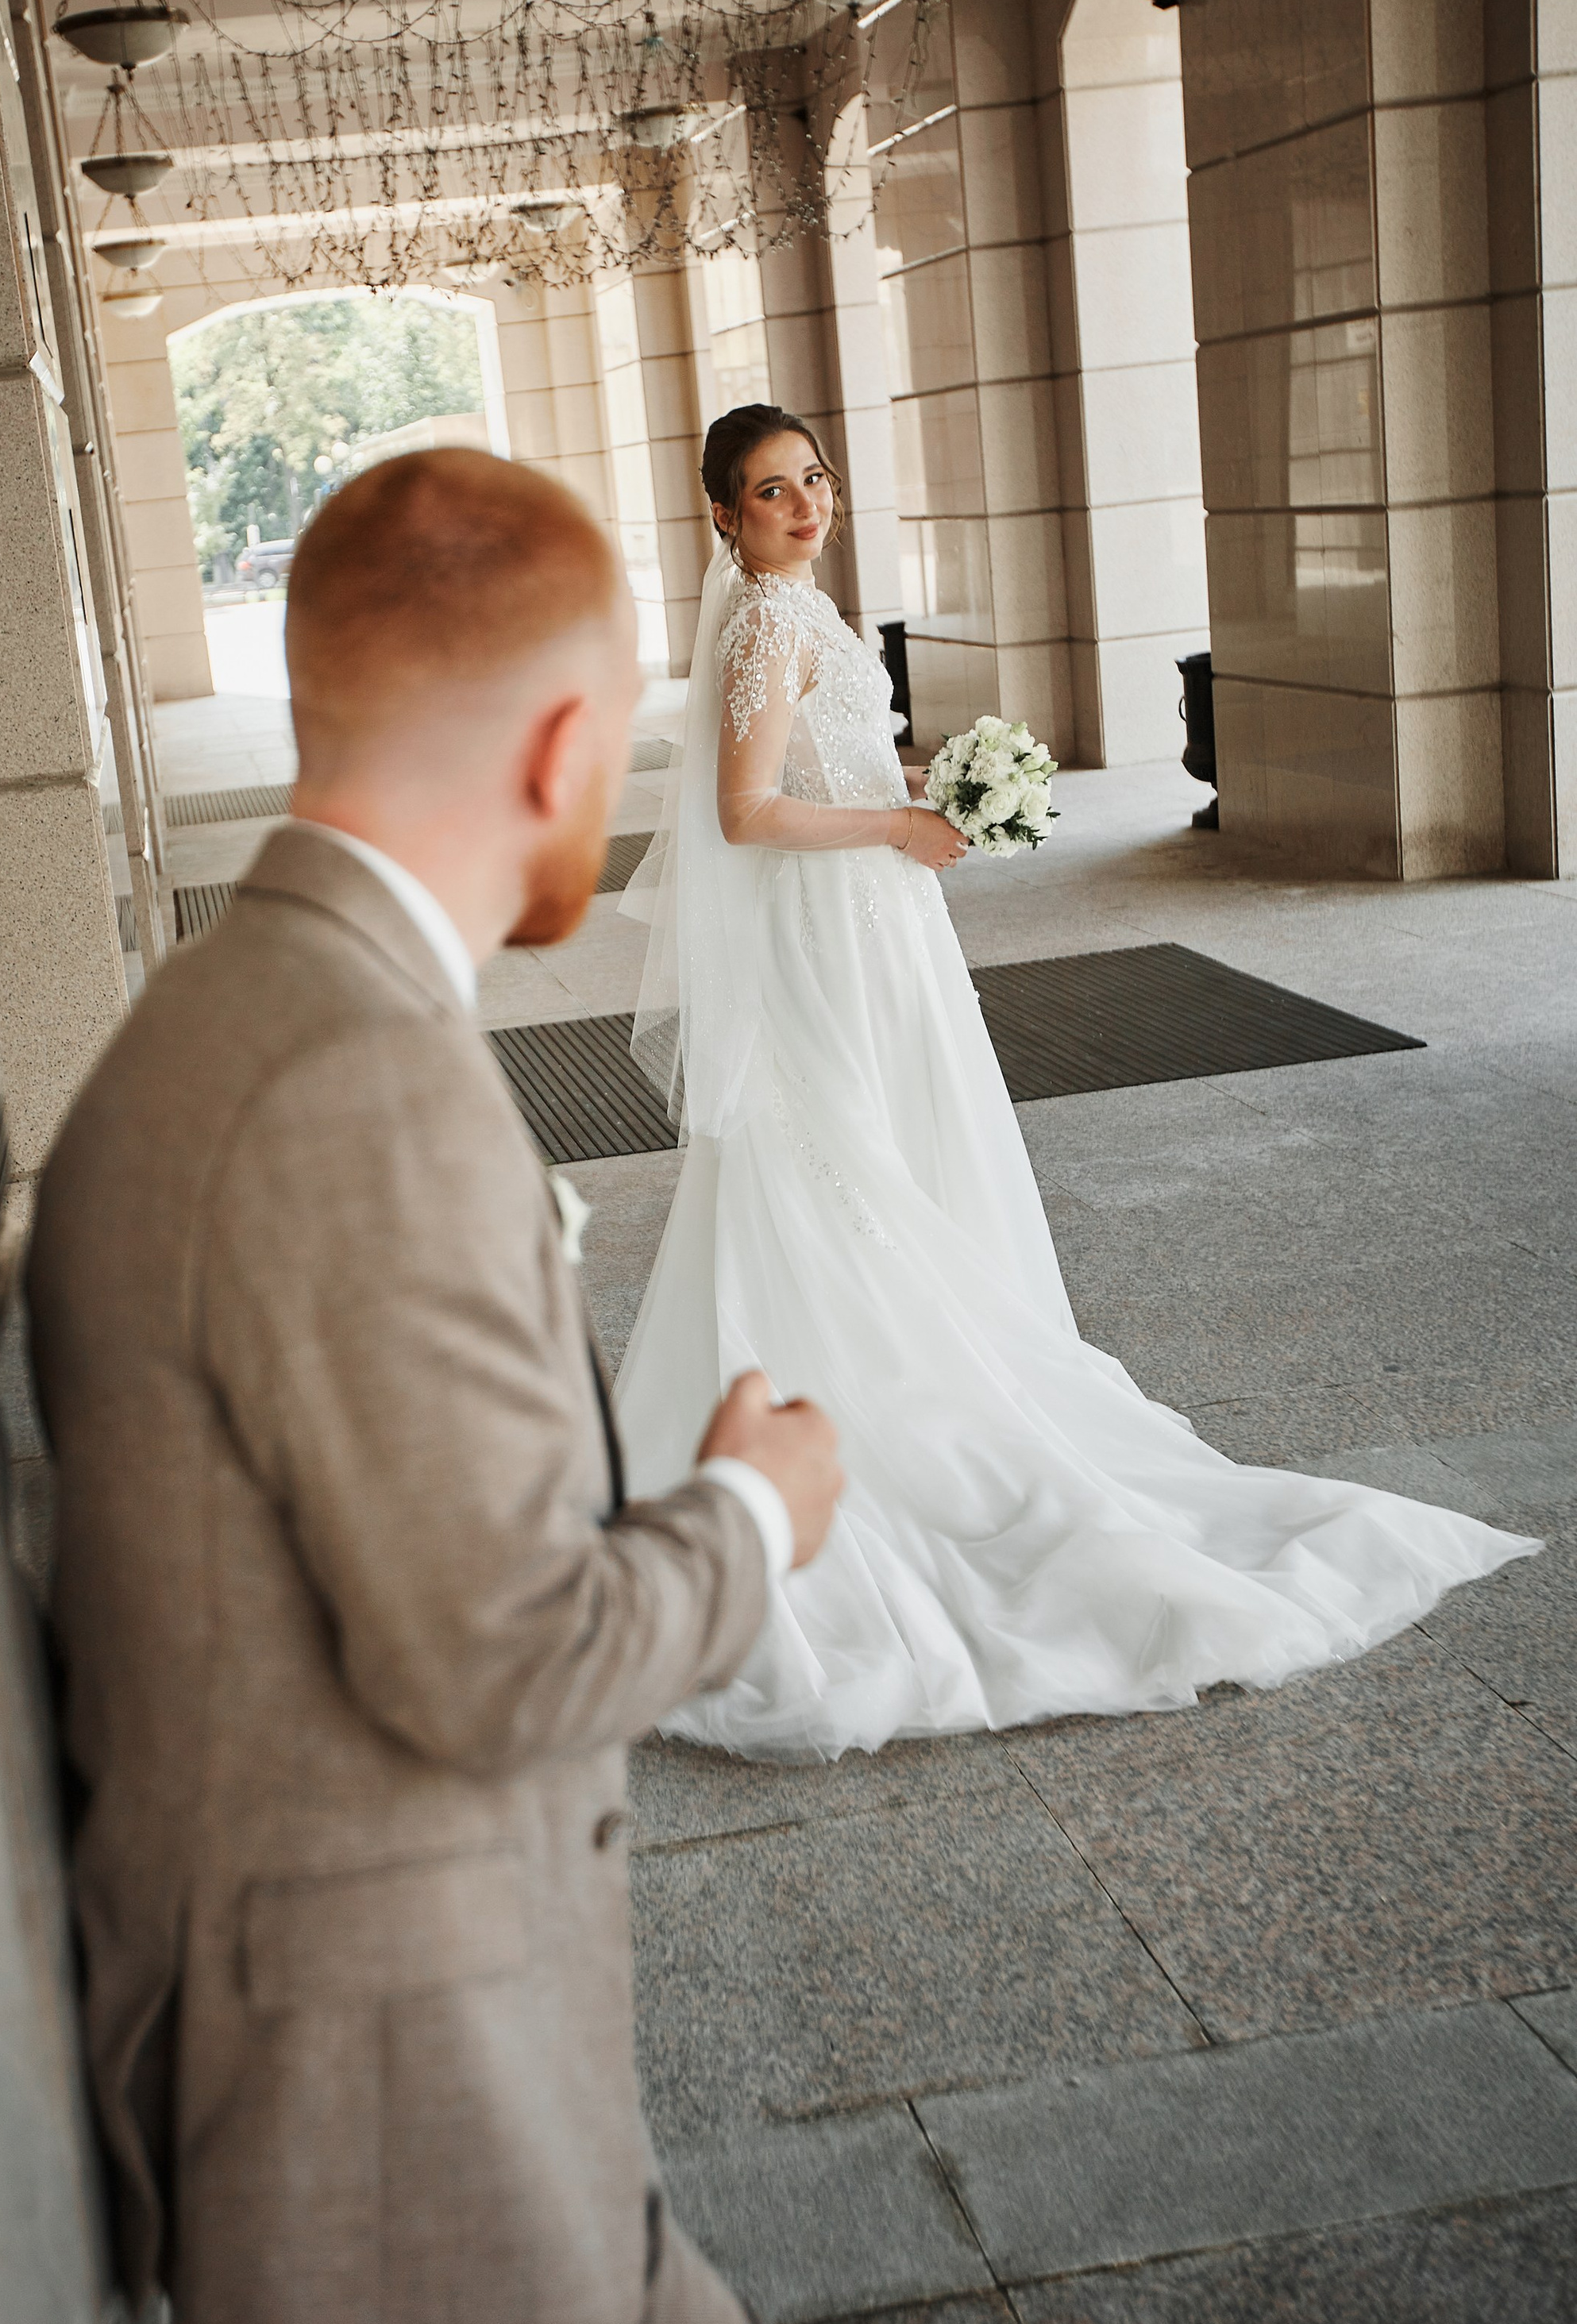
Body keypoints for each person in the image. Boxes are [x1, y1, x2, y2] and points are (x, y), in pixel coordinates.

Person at [25, 449, 1011, 2324]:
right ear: (568, 745)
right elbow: (501, 1663)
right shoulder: (355, 1079)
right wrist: (762, 1505)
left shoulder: (250, 1014)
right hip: (401, 2123)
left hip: (380, 2072)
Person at [615, 403, 1537, 1759]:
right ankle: (868, 1403)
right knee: (838, 1155)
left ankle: (873, 1381)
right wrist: (901, 822)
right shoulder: (763, 621)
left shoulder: (806, 609)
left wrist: (942, 788)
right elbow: (746, 813)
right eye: (771, 493)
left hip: (882, 917)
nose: (806, 505)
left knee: (891, 1149)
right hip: (840, 929)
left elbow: (827, 761)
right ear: (723, 519)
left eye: (814, 478)